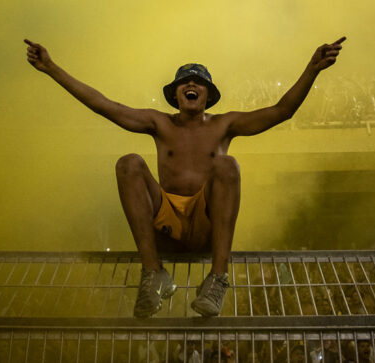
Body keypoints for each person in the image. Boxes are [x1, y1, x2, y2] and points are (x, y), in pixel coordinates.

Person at [24, 36, 345, 318]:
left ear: (208, 95)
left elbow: (282, 111)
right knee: (129, 163)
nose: (191, 86)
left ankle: (217, 279)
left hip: (206, 224)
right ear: (175, 95)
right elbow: (103, 105)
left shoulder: (224, 124)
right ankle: (153, 273)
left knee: (226, 165)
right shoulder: (160, 123)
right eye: (184, 83)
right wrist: (52, 68)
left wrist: (312, 69)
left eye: (199, 83)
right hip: (167, 224)